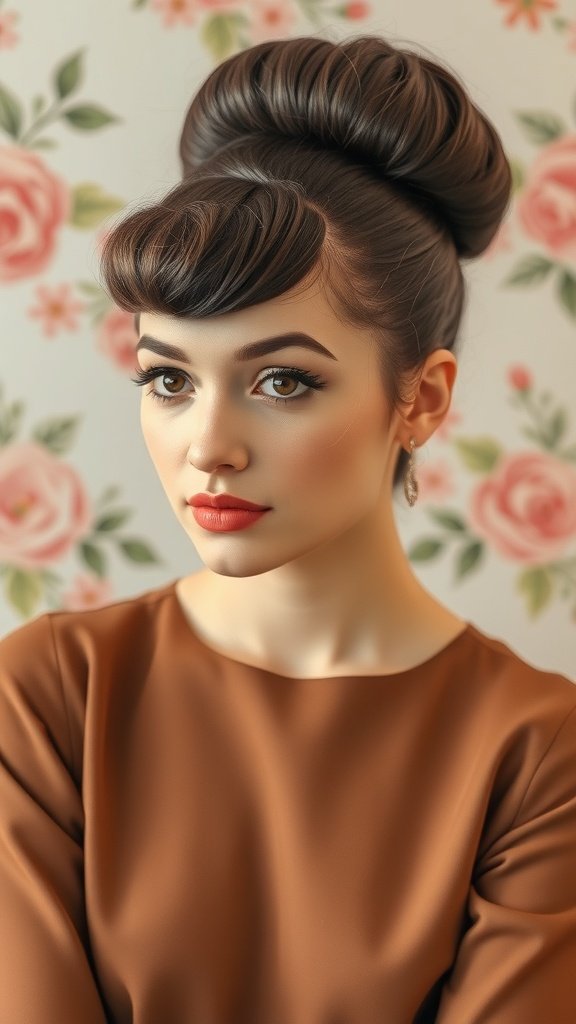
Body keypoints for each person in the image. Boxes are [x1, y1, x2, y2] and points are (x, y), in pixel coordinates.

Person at [1, 32, 575, 1024]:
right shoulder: (50, 696)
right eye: (168, 380)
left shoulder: (536, 753)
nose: (208, 446)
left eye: (281, 381)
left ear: (422, 398)